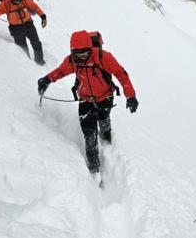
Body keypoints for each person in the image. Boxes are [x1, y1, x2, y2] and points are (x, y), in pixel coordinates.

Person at [37, 31, 138, 177]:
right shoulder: (73, 60)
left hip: (105, 96)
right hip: (86, 99)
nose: (81, 58)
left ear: (91, 49)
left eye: (85, 54)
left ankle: (106, 137)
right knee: (89, 135)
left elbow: (121, 74)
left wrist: (131, 96)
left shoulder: (103, 57)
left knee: (104, 118)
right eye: (78, 54)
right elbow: (60, 71)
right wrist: (47, 79)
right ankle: (94, 169)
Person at [0, 0, 47, 65]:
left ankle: (39, 61)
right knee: (22, 48)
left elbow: (35, 7)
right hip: (16, 29)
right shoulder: (5, 4)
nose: (18, 1)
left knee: (36, 43)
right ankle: (27, 65)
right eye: (15, 0)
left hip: (29, 24)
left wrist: (43, 16)